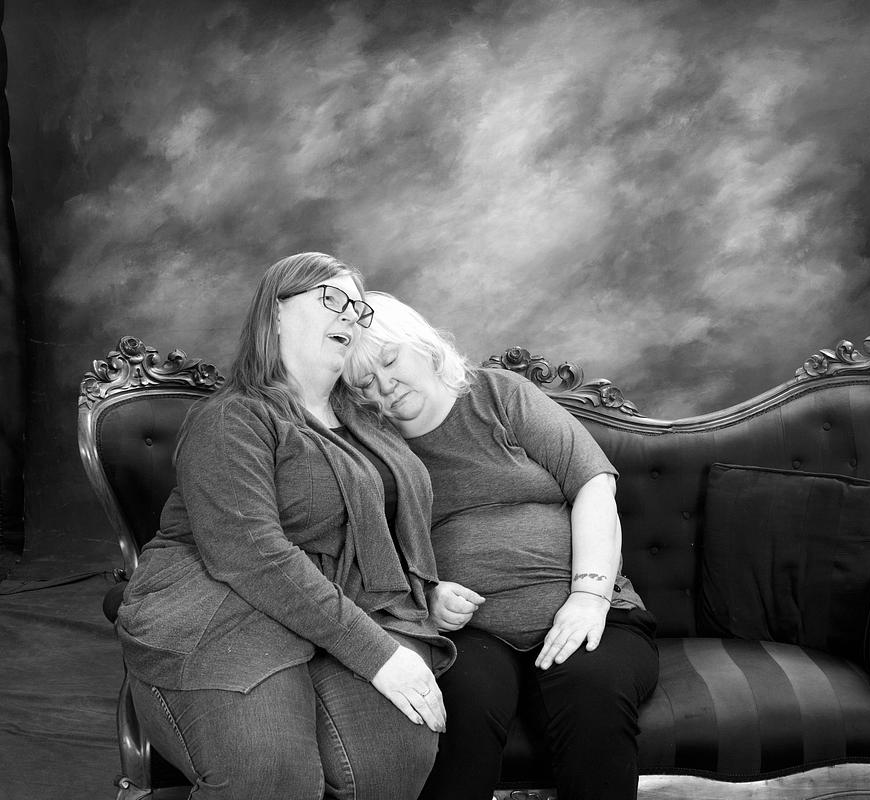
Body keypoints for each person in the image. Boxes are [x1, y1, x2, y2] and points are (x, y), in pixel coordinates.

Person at [114, 254, 456, 800]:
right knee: (274, 776)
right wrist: (380, 655)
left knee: (392, 758)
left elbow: (390, 519)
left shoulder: (367, 419)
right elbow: (251, 555)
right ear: (276, 312)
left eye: (359, 308)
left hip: (341, 604)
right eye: (332, 299)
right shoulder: (233, 417)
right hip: (226, 609)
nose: (350, 315)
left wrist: (428, 588)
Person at [343, 293, 659, 800]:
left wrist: (588, 596)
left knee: (591, 692)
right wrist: (429, 595)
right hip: (470, 636)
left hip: (593, 612)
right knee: (457, 709)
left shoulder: (497, 394)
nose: (384, 386)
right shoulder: (370, 449)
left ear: (423, 344)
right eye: (363, 382)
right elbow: (373, 551)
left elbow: (594, 484)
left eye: (389, 360)